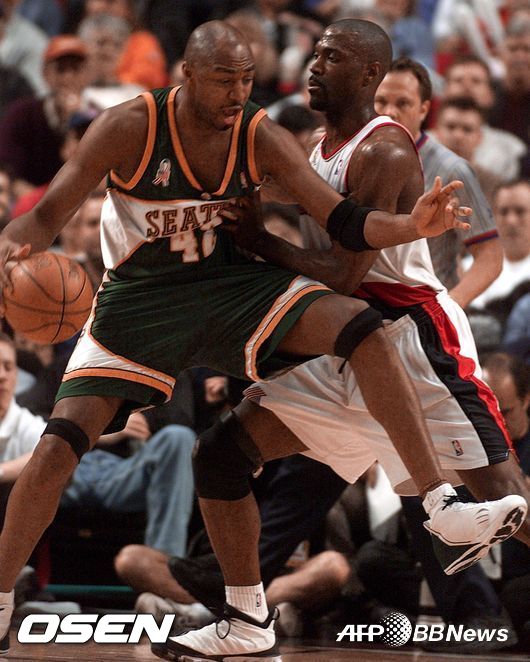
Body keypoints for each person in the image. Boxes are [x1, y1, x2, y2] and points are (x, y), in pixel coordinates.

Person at [0, 18, 497, 658]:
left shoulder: (257, 132)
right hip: (140, 302)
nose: (238, 93)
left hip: (232, 288)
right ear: (186, 75)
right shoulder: (130, 126)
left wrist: (409, 227)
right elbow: (46, 214)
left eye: (246, 79)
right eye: (223, 80)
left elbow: (343, 221)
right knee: (56, 449)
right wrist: (8, 254)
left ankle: (439, 503)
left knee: (362, 326)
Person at [157, 20, 528, 661]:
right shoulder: (319, 146)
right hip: (346, 344)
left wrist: (262, 240)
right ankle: (246, 621)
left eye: (331, 56)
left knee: (509, 501)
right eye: (316, 52)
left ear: (368, 74)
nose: (314, 64)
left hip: (414, 343)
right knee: (220, 454)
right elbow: (283, 195)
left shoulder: (384, 151)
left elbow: (344, 274)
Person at [374, 56, 503, 309]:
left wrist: (450, 305)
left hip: (425, 305)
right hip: (367, 303)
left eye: (403, 103)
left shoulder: (453, 169)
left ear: (424, 109)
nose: (389, 112)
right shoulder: (355, 153)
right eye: (381, 101)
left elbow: (490, 255)